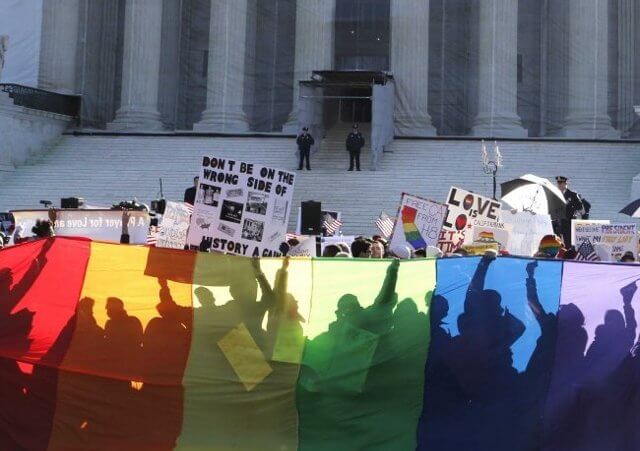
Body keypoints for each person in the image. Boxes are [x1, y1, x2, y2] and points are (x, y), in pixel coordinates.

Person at [554, 176, 585, 246]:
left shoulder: (573, 195)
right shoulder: (555, 195)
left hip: (569, 224)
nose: (559, 185)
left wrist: (575, 214)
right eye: (558, 183)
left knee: (568, 244)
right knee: (557, 244)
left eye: (561, 183)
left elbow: (581, 209)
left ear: (565, 184)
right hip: (558, 224)